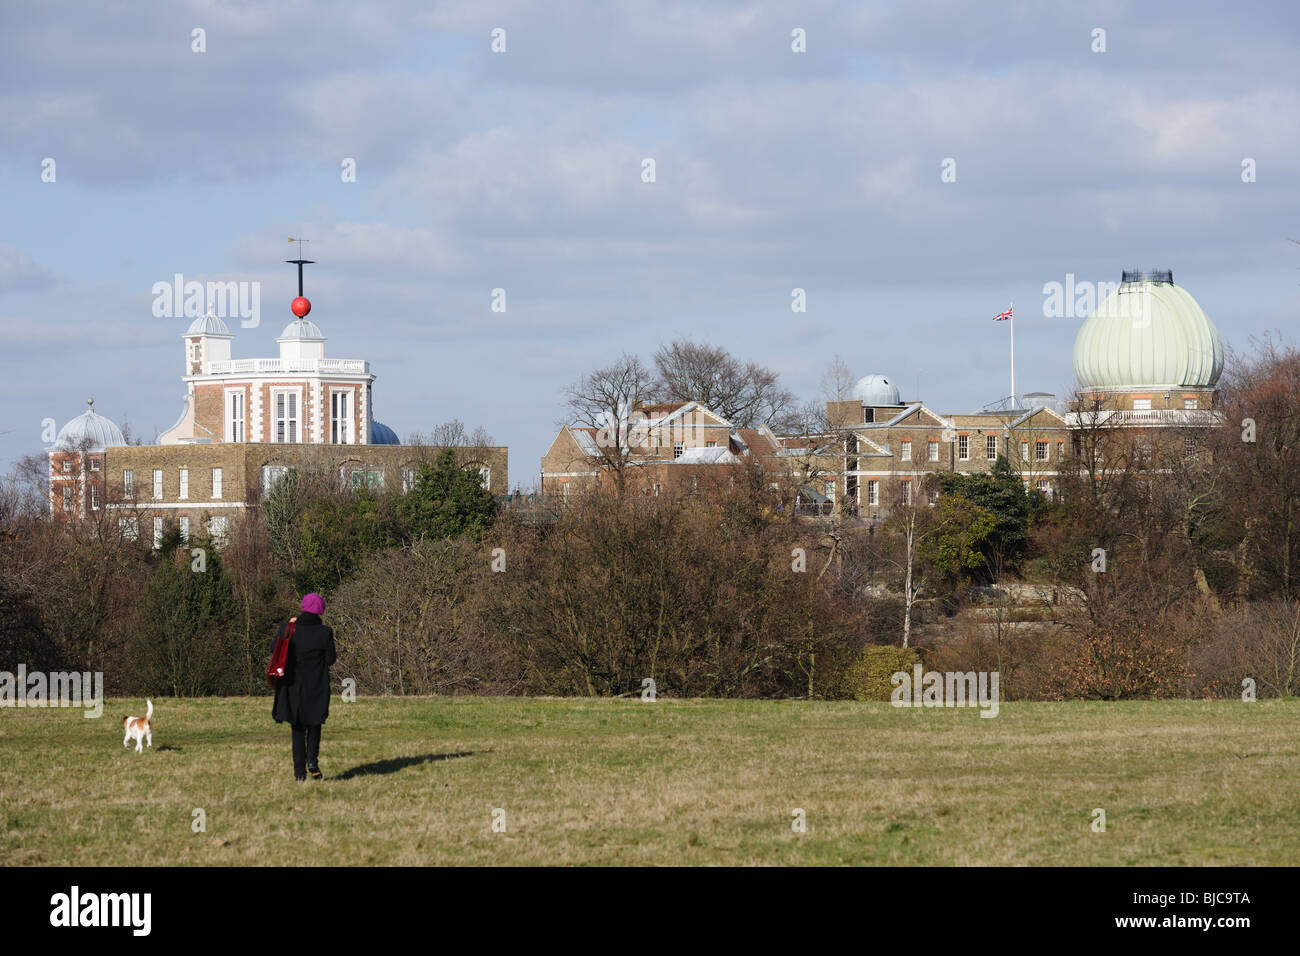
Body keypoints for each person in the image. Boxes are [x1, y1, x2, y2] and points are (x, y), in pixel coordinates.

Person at [272, 593, 337, 781]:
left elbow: (273, 649)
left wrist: (288, 626)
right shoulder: (325, 632)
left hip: (292, 686)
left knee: (297, 729)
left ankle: (299, 773)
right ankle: (312, 761)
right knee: (315, 724)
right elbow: (330, 659)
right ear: (320, 611)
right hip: (316, 686)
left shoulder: (288, 629)